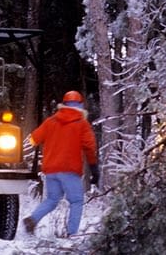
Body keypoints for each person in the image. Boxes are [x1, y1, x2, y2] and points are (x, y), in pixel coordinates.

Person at [23, 90, 99, 237]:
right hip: (70, 170)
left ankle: (32, 220)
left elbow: (33, 139)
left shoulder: (51, 121)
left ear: (63, 105)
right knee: (76, 201)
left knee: (52, 200)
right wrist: (94, 168)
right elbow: (90, 147)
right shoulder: (81, 124)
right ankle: (72, 234)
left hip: (51, 170)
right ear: (81, 105)